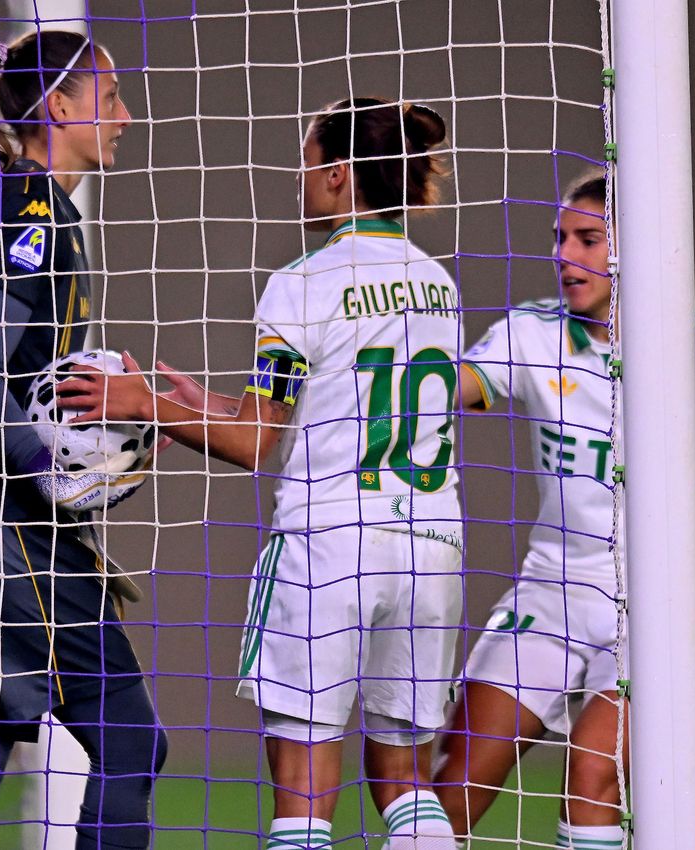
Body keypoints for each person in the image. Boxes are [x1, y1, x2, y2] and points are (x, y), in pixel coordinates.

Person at [68, 97, 463, 849]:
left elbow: (256, 444)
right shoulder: (435, 283)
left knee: (303, 799)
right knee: (404, 780)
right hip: (428, 550)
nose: (299, 178)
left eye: (308, 162)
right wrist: (206, 403)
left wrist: (140, 403)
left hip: (330, 551)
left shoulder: (302, 282)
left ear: (341, 175)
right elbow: (335, 405)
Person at [432, 168, 695, 848]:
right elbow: (449, 389)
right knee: (449, 783)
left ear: (635, 246)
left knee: (590, 783)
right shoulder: (529, 334)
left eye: (588, 239)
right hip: (550, 595)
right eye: (559, 238)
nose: (566, 256)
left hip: (654, 607)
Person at [0, 30, 166, 850]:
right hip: (6, 535)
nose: (123, 116)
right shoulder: (32, 209)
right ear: (59, 106)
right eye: (109, 97)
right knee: (128, 741)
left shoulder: (5, 198)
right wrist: (56, 469)